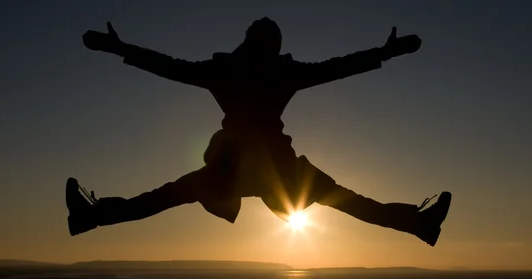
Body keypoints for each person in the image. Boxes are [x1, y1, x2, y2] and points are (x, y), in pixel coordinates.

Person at [67, 18, 451, 246]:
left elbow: (169, 66)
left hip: (230, 170)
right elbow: (336, 67)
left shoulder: (230, 70)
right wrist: (384, 53)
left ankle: (91, 216)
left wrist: (119, 48)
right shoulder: (276, 71)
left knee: (162, 196)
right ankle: (419, 223)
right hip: (276, 174)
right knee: (349, 200)